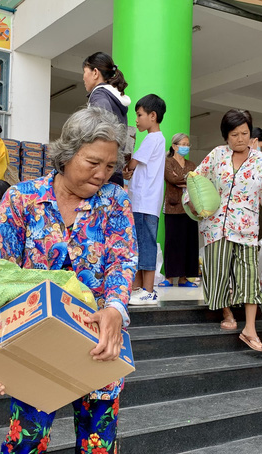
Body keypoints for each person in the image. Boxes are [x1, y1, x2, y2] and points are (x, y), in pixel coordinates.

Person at [0, 107, 137, 454]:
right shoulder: (22, 199)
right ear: (67, 154)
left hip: (97, 338)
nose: (102, 174)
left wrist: (115, 308)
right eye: (93, 162)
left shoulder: (115, 201)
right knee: (27, 439)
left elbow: (122, 260)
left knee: (98, 447)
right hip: (34, 340)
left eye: (110, 165)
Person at [185, 109, 262, 352]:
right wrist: (192, 204)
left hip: (247, 228)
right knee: (218, 273)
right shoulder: (217, 154)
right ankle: (226, 313)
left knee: (249, 277)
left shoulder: (259, 160)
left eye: (245, 133)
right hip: (216, 227)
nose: (240, 138)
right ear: (226, 136)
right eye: (234, 134)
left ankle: (250, 329)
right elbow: (195, 178)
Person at [124, 94, 166, 305]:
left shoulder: (153, 138)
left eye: (139, 115)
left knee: (145, 245)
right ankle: (140, 289)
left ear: (152, 115)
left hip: (144, 202)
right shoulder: (156, 139)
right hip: (144, 202)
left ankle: (148, 290)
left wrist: (126, 168)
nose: (137, 120)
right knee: (140, 244)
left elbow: (133, 162)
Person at [82, 51, 131, 187]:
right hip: (112, 167)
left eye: (85, 72)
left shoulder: (99, 96)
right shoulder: (115, 98)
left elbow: (102, 132)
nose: (83, 77)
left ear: (95, 72)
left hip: (100, 171)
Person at [159, 133, 199, 287]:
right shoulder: (167, 162)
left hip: (190, 208)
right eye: (182, 144)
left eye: (187, 144)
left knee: (188, 243)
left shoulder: (192, 164)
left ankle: (184, 278)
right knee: (173, 243)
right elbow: (172, 179)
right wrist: (187, 180)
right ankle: (169, 277)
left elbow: (196, 181)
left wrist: (183, 180)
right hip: (173, 207)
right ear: (175, 146)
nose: (185, 147)